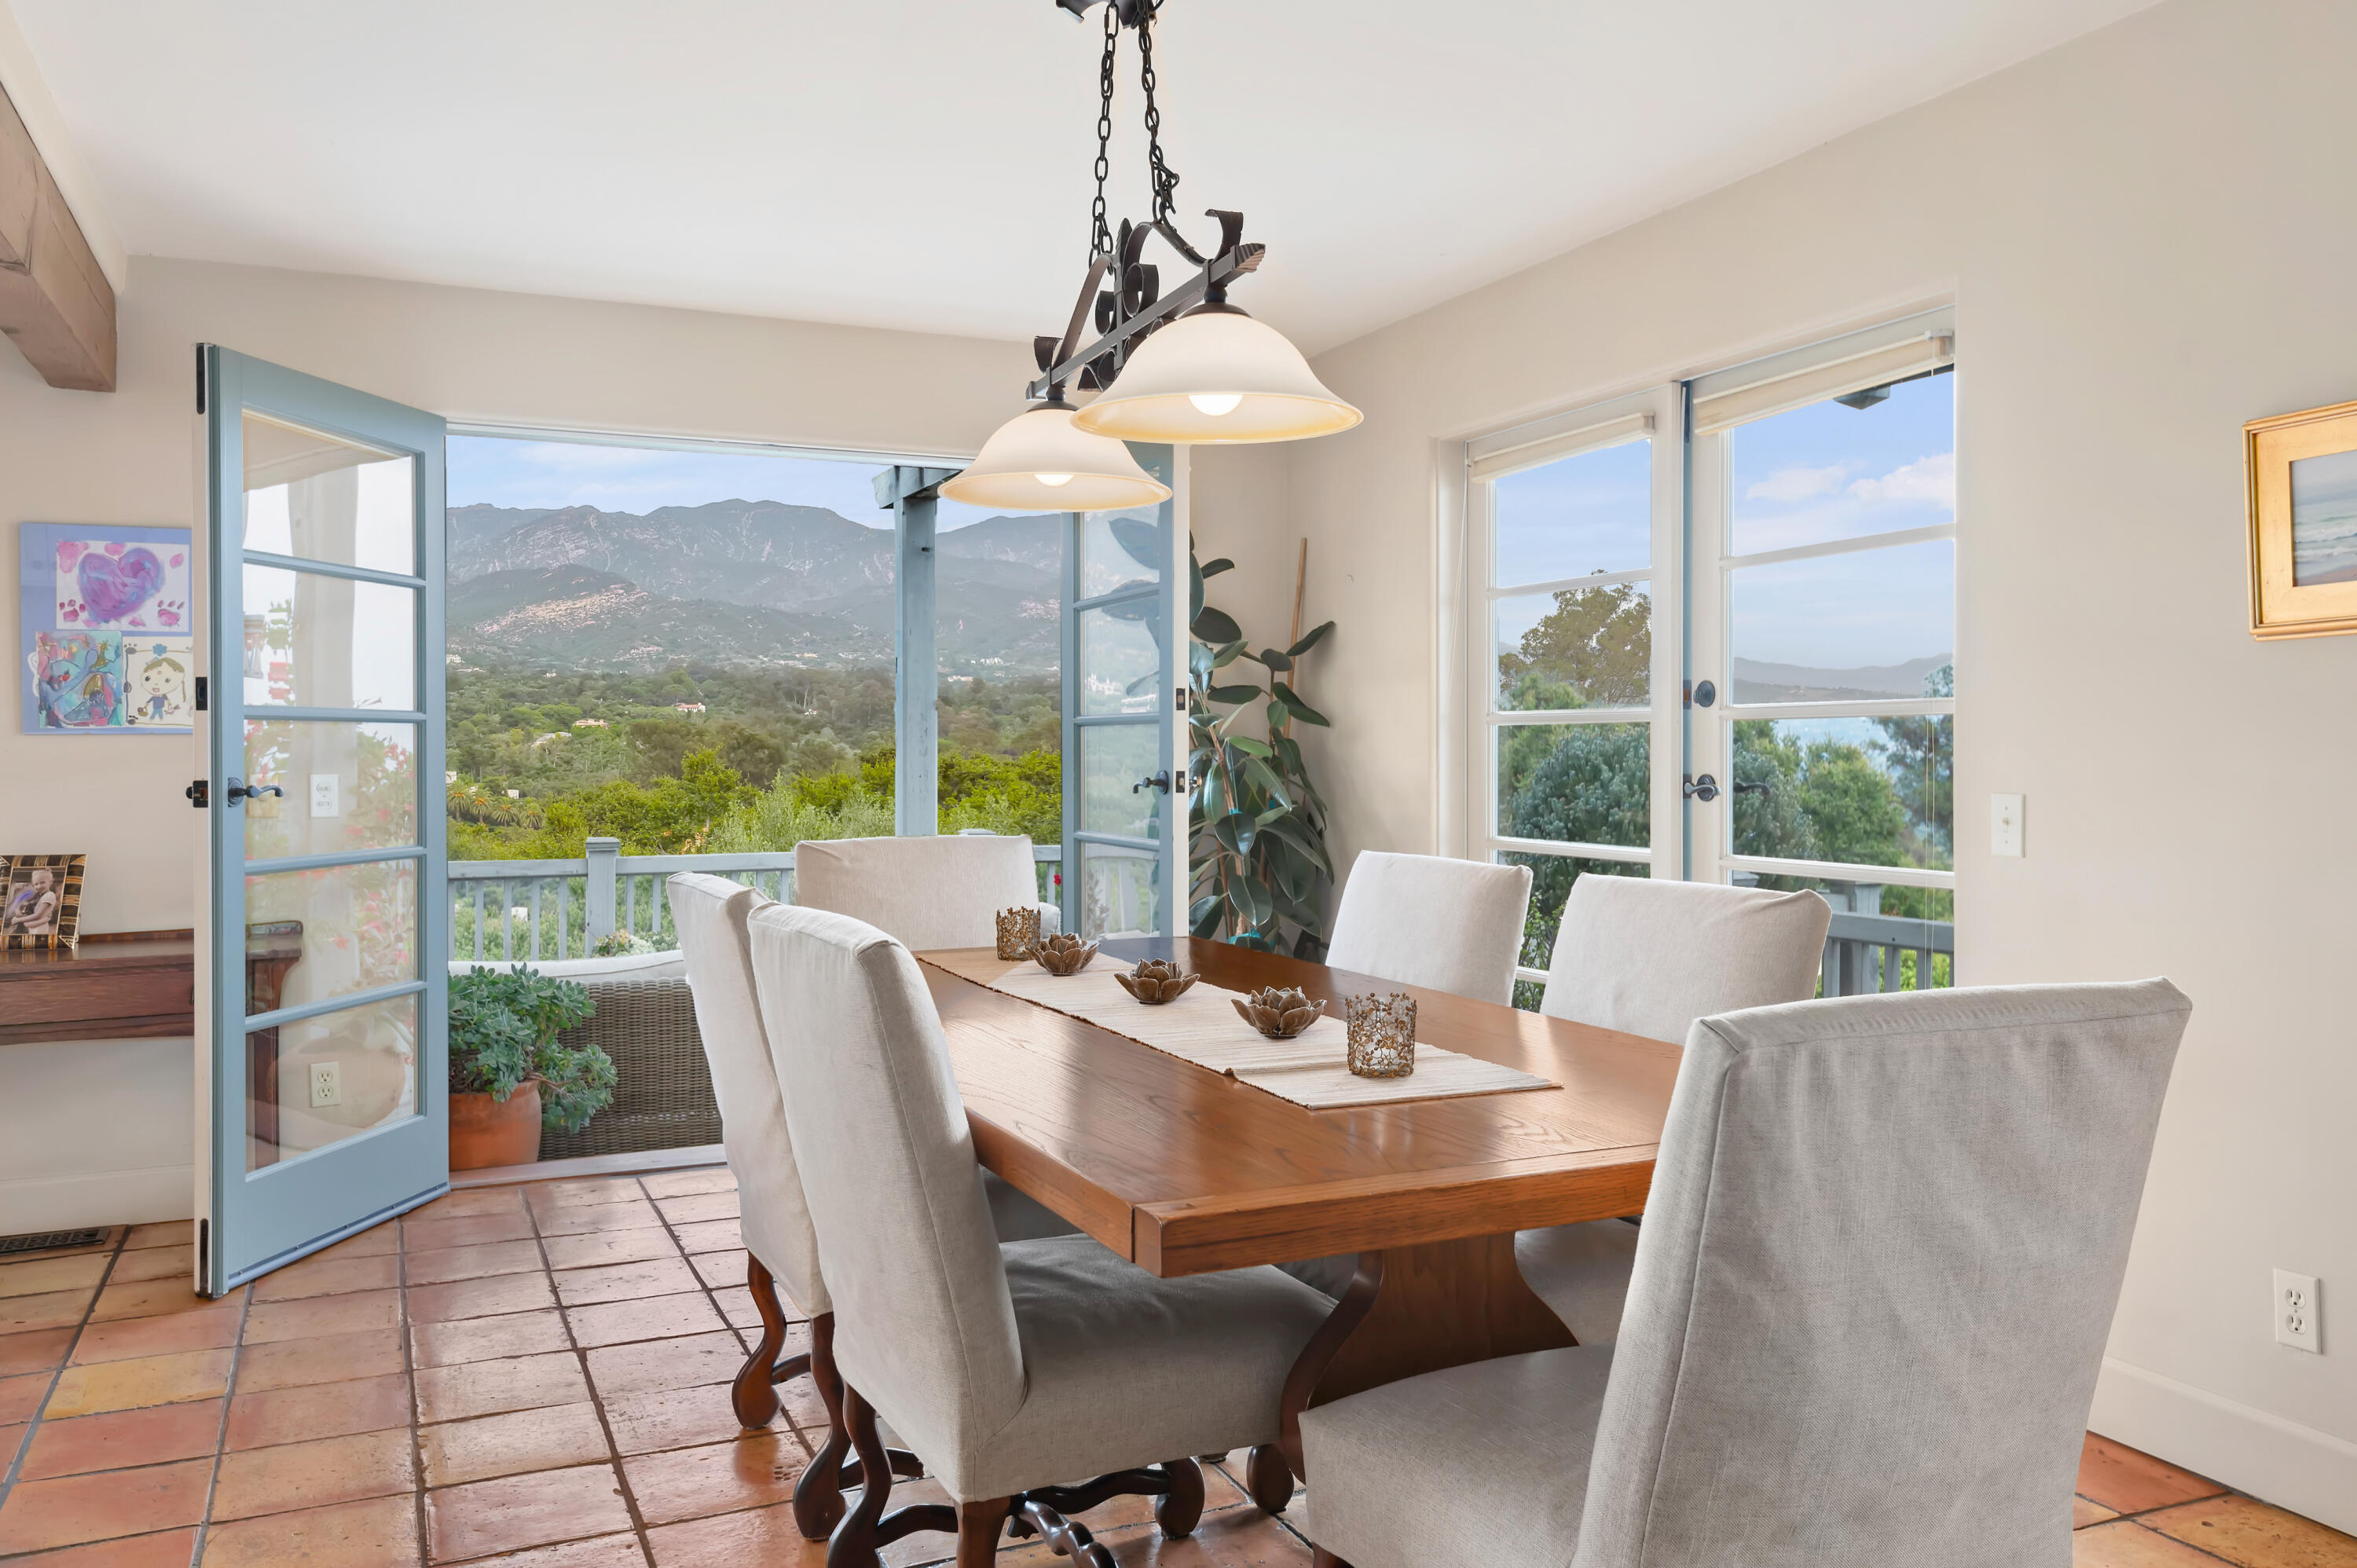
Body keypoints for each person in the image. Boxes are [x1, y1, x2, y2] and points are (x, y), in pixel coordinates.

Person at [4, 868, 60, 939]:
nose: (39, 886)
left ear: (51, 882)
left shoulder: (49, 895)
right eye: (36, 884)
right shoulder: (41, 896)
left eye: (43, 882)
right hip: (36, 929)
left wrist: (18, 920)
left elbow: (38, 916)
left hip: (39, 930)